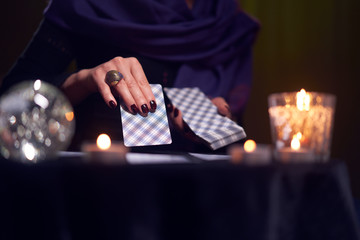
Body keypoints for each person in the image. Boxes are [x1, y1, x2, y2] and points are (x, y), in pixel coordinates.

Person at [0, 0, 259, 151]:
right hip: (102, 193)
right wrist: (83, 81)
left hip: (203, 201)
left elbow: (235, 138)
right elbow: (8, 106)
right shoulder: (88, 5)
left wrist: (216, 120)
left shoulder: (228, 21)